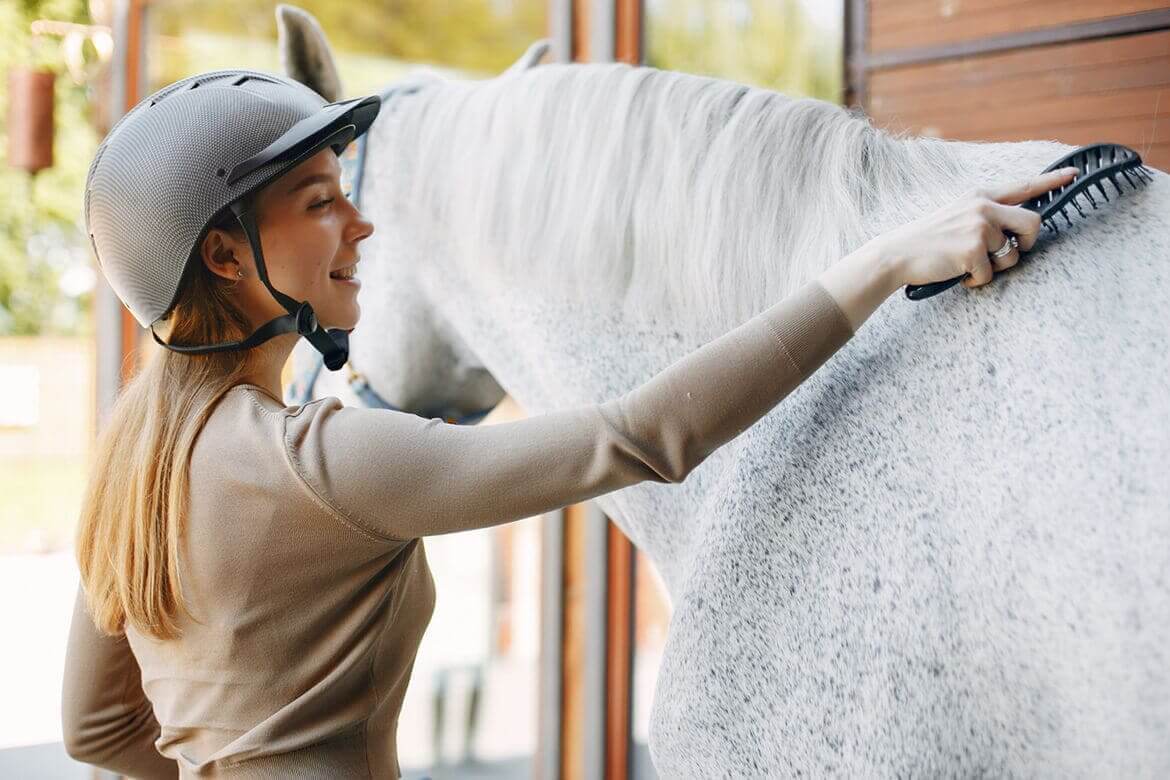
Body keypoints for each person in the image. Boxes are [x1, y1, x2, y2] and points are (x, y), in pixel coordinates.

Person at [60, 69, 1079, 778]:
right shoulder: (324, 461)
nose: (361, 224)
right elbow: (640, 439)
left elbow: (96, 729)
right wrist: (882, 261)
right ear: (226, 257)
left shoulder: (130, 465)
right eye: (320, 201)